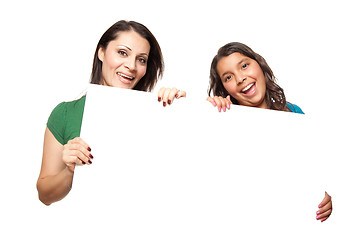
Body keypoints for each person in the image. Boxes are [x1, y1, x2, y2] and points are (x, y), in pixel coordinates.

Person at [36, 20, 185, 206]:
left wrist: (182, 111)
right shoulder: (66, 113)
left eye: (141, 59)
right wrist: (70, 170)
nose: (131, 65)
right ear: (101, 52)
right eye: (122, 52)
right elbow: (44, 196)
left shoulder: (158, 112)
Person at [206, 42, 332, 222]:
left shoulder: (294, 113)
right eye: (228, 77)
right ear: (225, 88)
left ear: (259, 64)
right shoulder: (223, 122)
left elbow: (309, 170)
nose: (241, 78)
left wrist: (322, 195)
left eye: (244, 66)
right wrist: (211, 114)